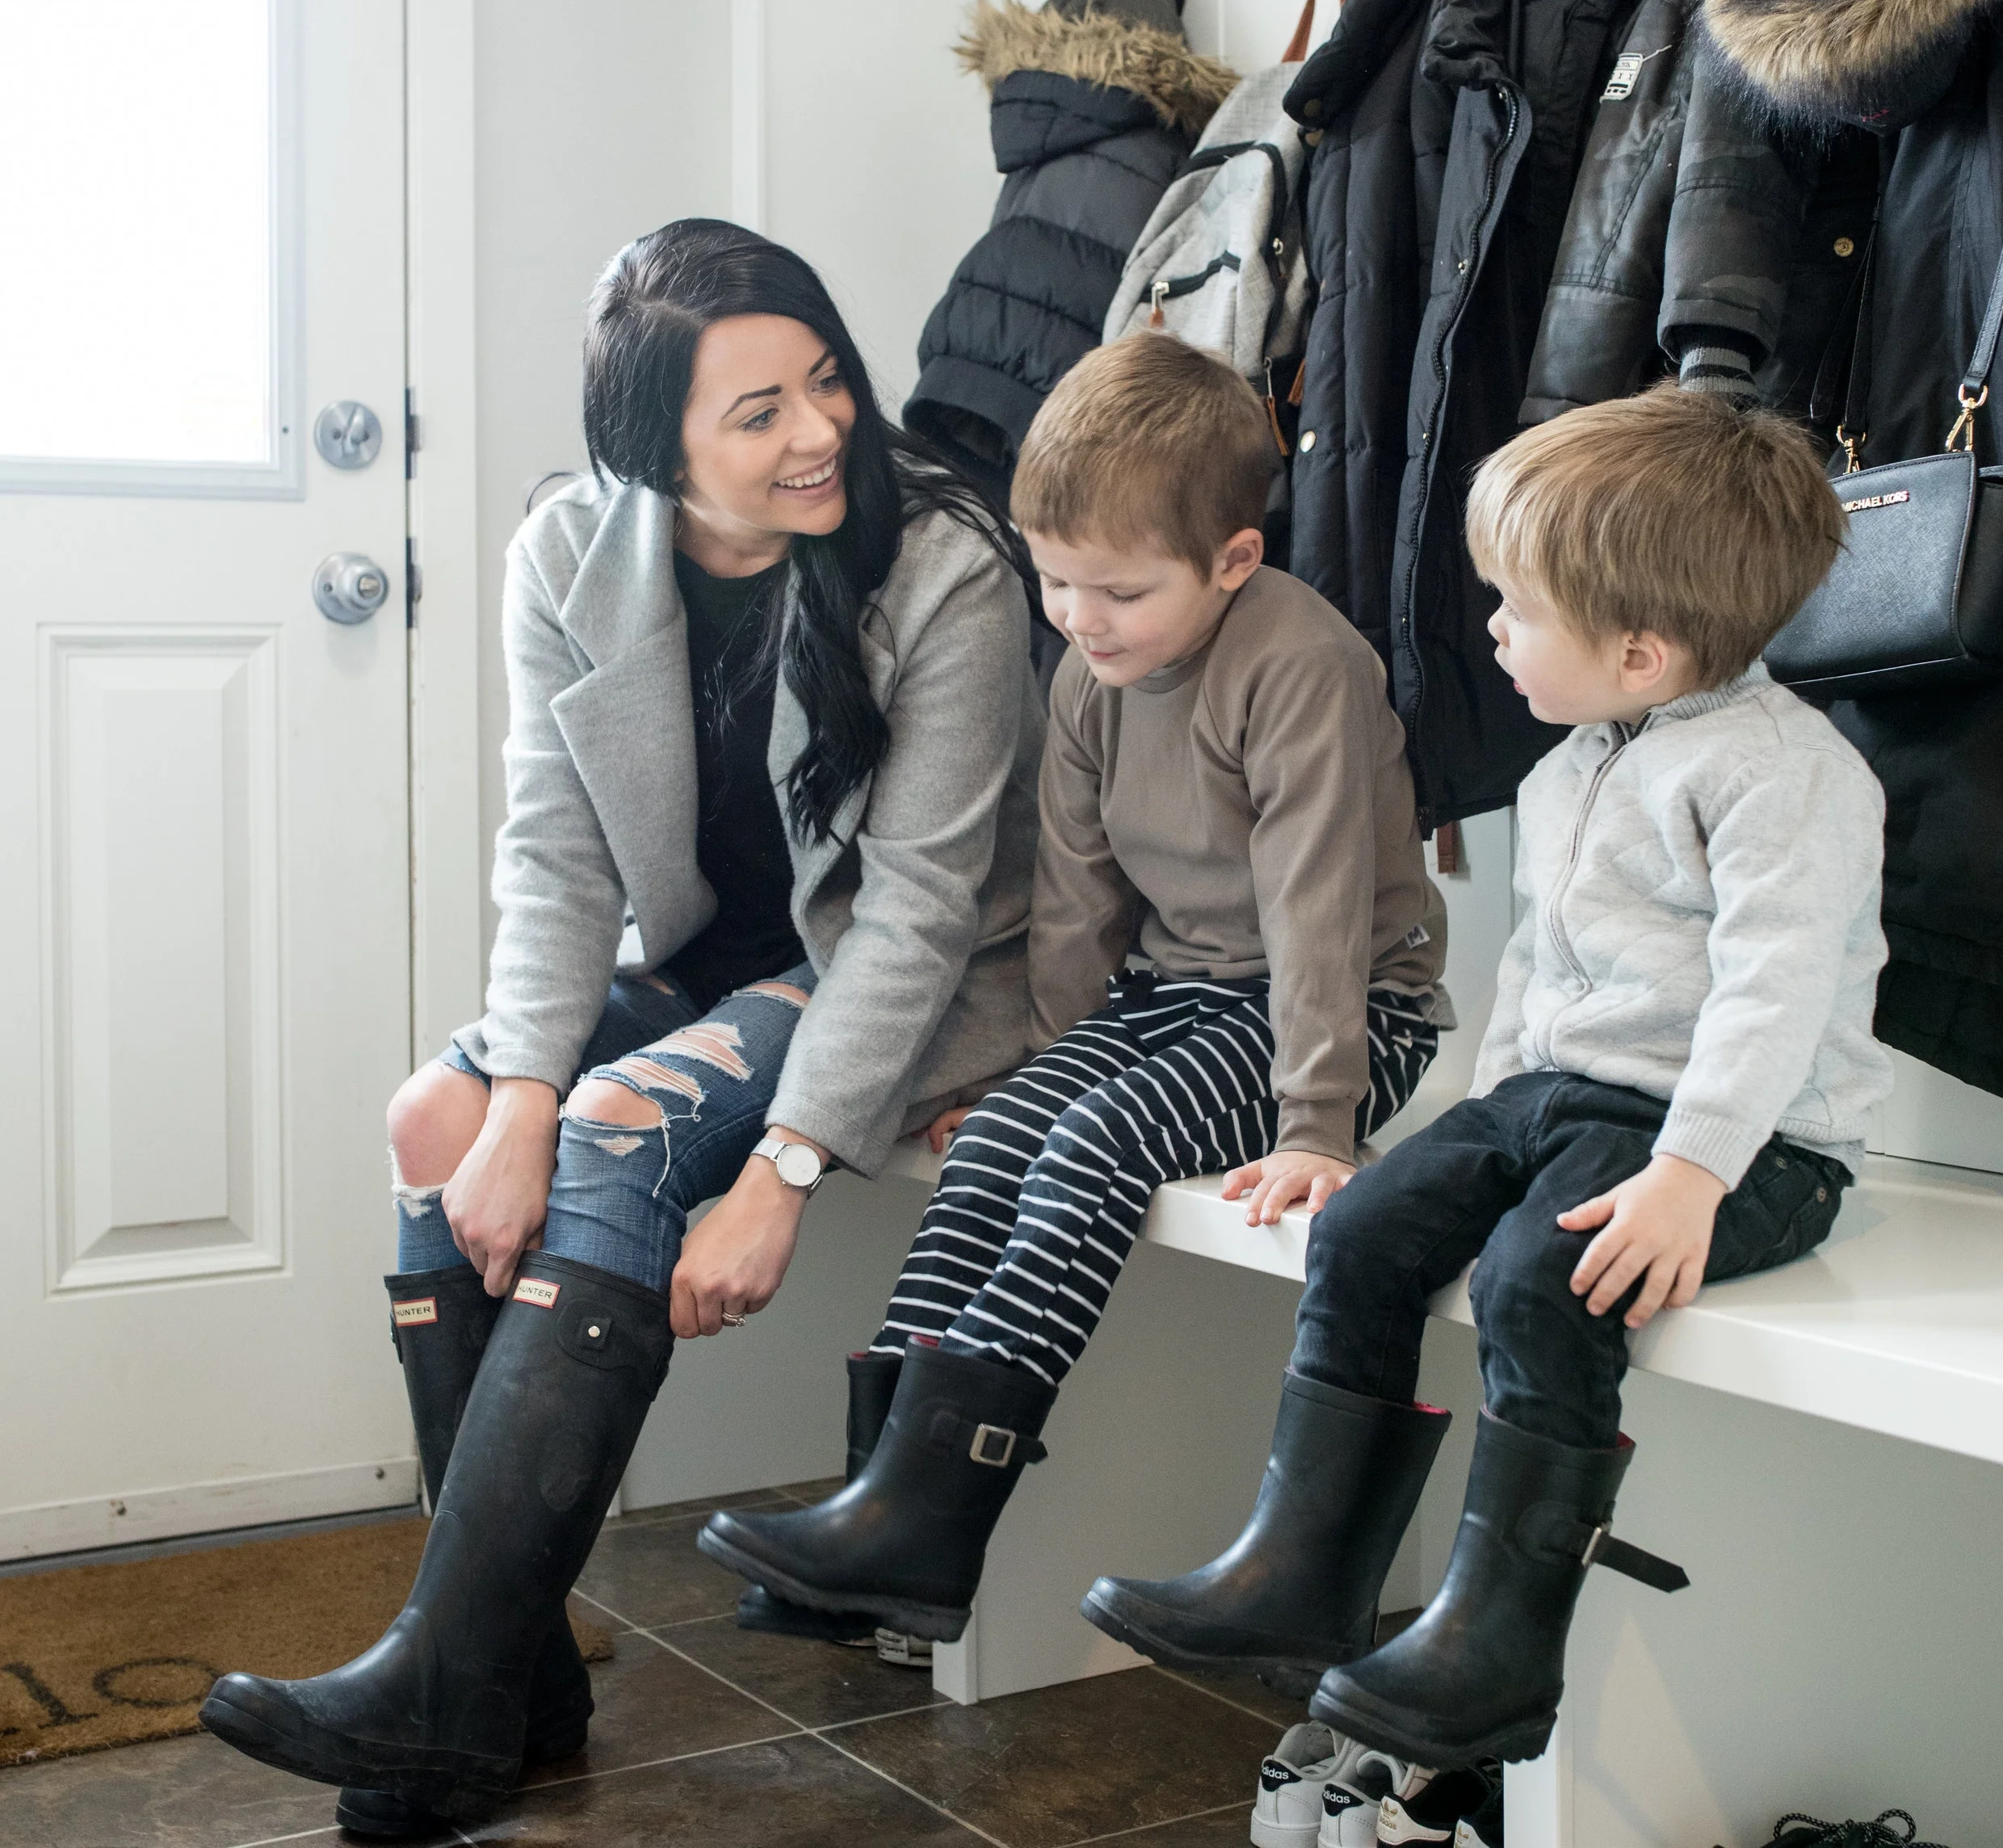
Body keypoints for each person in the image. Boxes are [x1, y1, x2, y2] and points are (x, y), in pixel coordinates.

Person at [198, 220, 1046, 1832]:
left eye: (825, 381)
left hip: (896, 977)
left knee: (619, 1116)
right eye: (756, 412)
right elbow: (556, 846)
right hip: (696, 967)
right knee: (435, 1122)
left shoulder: (941, 561)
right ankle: (503, 1685)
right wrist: (512, 1099)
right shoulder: (569, 549)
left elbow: (925, 905)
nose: (817, 431)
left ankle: (444, 1684)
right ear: (649, 441)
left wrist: (785, 1165)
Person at [1080, 382, 1891, 1770]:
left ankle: (1502, 1647)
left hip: (1745, 1140)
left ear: (1640, 652)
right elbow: (1537, 965)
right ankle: (1301, 1573)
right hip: (1562, 1101)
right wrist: (1480, 1128)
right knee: (1374, 1227)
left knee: (1538, 1277)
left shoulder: (1786, 777)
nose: (1493, 632)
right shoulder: (1582, 755)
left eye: (1517, 610)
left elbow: (1775, 995)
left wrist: (1694, 1175)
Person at [699, 332, 1451, 1647]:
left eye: (1118, 591)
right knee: (1004, 1135)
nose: (1080, 619)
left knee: (1097, 1146)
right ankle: (877, 1509)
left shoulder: (1300, 670)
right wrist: (1033, 1063)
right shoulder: (1094, 673)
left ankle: (939, 1513)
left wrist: (1316, 1123)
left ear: (1234, 560)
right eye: (1054, 583)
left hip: (1341, 1012)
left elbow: (1319, 911)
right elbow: (1078, 896)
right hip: (1178, 996)